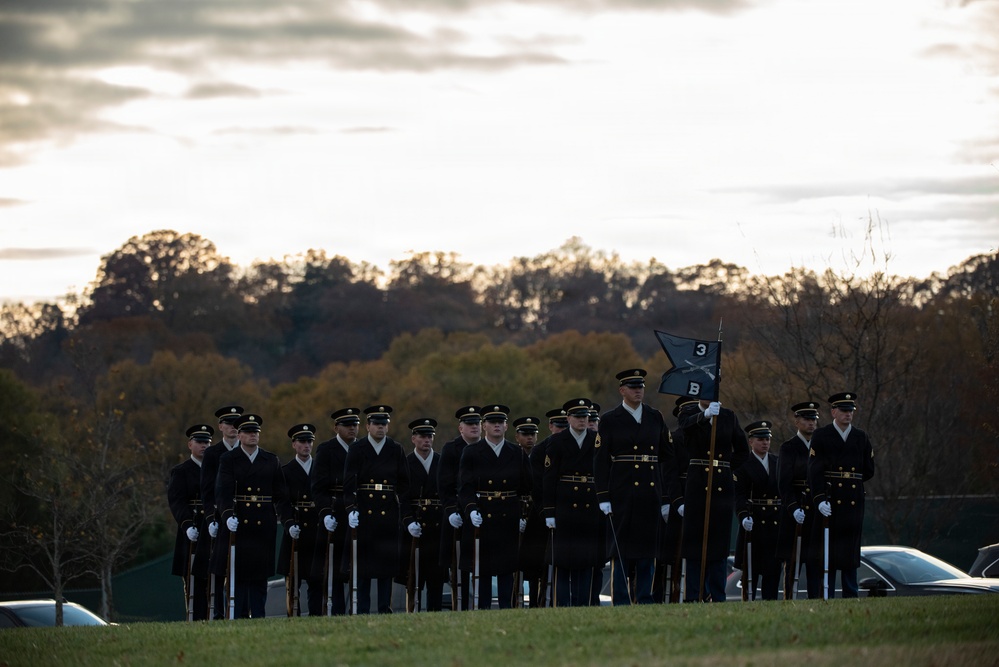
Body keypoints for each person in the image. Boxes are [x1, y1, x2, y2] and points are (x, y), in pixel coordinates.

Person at [594, 369, 670, 605]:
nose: (638, 391)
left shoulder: (654, 416)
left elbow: (667, 456)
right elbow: (601, 460)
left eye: (641, 387)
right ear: (622, 390)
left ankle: (645, 596)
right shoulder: (610, 419)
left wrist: (666, 496)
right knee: (621, 549)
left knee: (648, 549)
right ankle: (621, 598)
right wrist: (603, 496)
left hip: (650, 491)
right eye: (633, 387)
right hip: (622, 491)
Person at [216, 414, 298, 619]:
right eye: (248, 432)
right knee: (239, 576)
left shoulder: (270, 460)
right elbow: (223, 492)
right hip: (240, 523)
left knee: (260, 577)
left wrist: (288, 521)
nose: (253, 435)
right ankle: (238, 616)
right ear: (240, 435)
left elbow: (281, 496)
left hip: (263, 525)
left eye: (256, 432)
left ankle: (259, 615)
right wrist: (227, 515)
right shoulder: (229, 459)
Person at [457, 404, 531, 609]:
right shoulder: (471, 452)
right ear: (484, 426)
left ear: (506, 426)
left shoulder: (517, 452)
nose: (496, 426)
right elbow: (465, 486)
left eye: (500, 422)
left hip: (508, 514)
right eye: (492, 422)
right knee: (483, 568)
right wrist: (471, 509)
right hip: (483, 513)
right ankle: (483, 609)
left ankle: (507, 608)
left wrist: (523, 514)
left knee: (507, 568)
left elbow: (527, 487)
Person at [678, 396, 749, 602]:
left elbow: (742, 450)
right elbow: (684, 431)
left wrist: (724, 467)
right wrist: (704, 416)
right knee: (694, 542)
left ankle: (717, 595)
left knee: (718, 542)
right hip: (697, 482)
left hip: (721, 485)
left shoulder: (728, 416)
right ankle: (693, 595)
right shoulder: (689, 413)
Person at [807, 392, 875, 599]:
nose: (848, 414)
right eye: (844, 410)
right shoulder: (822, 435)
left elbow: (869, 470)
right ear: (833, 412)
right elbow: (814, 470)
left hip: (853, 500)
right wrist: (819, 498)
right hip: (831, 498)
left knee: (850, 549)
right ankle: (826, 592)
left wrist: (851, 483)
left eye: (851, 411)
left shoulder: (861, 436)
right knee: (829, 550)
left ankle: (850, 593)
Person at [343, 405, 410, 614]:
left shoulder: (395, 448)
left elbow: (404, 483)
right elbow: (349, 482)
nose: (380, 428)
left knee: (386, 566)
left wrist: (404, 511)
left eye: (384, 424)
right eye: (376, 424)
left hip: (388, 511)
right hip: (365, 509)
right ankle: (362, 608)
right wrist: (351, 508)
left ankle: (384, 607)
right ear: (368, 426)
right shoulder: (357, 448)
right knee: (363, 566)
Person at [543, 398, 605, 607]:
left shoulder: (597, 439)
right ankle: (561, 604)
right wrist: (549, 511)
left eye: (585, 416)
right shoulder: (557, 441)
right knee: (562, 561)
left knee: (587, 560)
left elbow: (603, 471)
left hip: (589, 505)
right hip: (565, 506)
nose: (582, 420)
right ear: (568, 418)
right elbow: (549, 478)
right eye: (578, 417)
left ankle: (583, 603)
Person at [312, 407, 360, 615]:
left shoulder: (363, 448)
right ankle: (337, 610)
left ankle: (358, 608)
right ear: (336, 428)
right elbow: (318, 487)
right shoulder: (326, 450)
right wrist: (325, 513)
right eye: (347, 425)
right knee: (334, 567)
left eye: (355, 424)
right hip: (336, 511)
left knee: (356, 564)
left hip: (357, 511)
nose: (352, 428)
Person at [199, 404, 243, 619]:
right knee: (218, 567)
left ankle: (241, 611)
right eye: (229, 423)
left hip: (243, 516)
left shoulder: (248, 450)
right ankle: (218, 612)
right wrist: (210, 518)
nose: (233, 427)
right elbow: (207, 490)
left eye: (236, 424)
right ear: (220, 427)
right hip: (219, 515)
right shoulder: (212, 454)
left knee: (243, 565)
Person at [399, 418, 447, 611]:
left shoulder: (441, 461)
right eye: (422, 436)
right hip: (415, 526)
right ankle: (413, 613)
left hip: (437, 526)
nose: (426, 440)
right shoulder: (406, 463)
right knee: (414, 579)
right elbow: (402, 497)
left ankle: (435, 614)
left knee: (436, 580)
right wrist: (408, 521)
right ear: (413, 439)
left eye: (430, 436)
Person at [437, 405, 482, 611]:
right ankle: (461, 605)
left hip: (482, 511)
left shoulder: (486, 447)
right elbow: (444, 486)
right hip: (458, 514)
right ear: (460, 428)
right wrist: (450, 511)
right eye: (469, 423)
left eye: (477, 423)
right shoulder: (451, 449)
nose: (474, 427)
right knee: (459, 567)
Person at [776, 401, 822, 599]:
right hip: (795, 511)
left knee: (815, 562)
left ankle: (816, 600)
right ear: (797, 421)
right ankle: (790, 599)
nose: (811, 423)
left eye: (813, 419)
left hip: (815, 510)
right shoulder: (789, 447)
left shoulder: (820, 446)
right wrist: (793, 507)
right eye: (806, 419)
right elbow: (784, 483)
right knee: (793, 561)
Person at [167, 424, 213, 620]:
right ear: (190, 444)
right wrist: (186, 524)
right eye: (200, 442)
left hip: (211, 526)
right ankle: (195, 617)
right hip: (192, 527)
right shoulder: (181, 471)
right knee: (193, 579)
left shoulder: (216, 469)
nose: (204, 446)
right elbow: (177, 501)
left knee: (213, 576)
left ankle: (214, 616)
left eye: (207, 443)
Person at [523, 407, 567, 607]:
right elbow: (537, 485)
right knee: (536, 564)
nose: (561, 430)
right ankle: (535, 602)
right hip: (541, 514)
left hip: (565, 511)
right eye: (558, 426)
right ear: (550, 426)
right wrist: (545, 512)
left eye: (564, 426)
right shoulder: (540, 450)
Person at [734, 420, 781, 600]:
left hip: (774, 521)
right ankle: (749, 603)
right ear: (751, 441)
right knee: (751, 571)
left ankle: (771, 602)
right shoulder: (743, 464)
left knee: (773, 572)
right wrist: (743, 515)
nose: (765, 443)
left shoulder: (777, 462)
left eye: (767, 439)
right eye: (760, 439)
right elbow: (738, 495)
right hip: (754, 521)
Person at [278, 423, 321, 616]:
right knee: (293, 579)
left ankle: (317, 616)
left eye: (309, 441)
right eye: (302, 442)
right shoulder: (286, 471)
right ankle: (293, 616)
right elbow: (282, 502)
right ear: (294, 444)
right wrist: (288, 523)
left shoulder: (320, 468)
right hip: (296, 528)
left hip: (316, 528)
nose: (306, 445)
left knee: (317, 579)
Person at [659, 397, 695, 603]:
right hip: (678, 499)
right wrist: (674, 501)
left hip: (698, 497)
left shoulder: (706, 438)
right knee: (674, 555)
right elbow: (668, 474)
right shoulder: (673, 439)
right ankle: (671, 594)